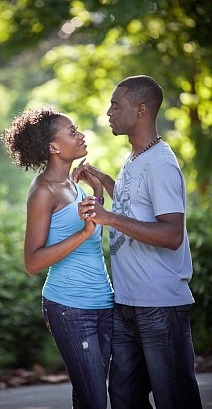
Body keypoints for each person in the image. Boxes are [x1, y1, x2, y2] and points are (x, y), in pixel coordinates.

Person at [73, 75, 202, 409]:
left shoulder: (160, 164)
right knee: (124, 398)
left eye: (117, 105)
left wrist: (110, 218)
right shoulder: (136, 159)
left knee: (174, 398)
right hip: (128, 302)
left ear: (141, 110)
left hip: (159, 303)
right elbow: (139, 208)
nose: (108, 112)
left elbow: (172, 234)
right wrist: (105, 181)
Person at [1, 107, 114, 409]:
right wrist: (82, 233)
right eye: (72, 132)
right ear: (53, 147)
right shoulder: (43, 191)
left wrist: (98, 191)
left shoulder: (73, 186)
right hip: (71, 308)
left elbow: (92, 239)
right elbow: (32, 262)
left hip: (104, 303)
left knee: (91, 397)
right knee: (94, 399)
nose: (81, 135)